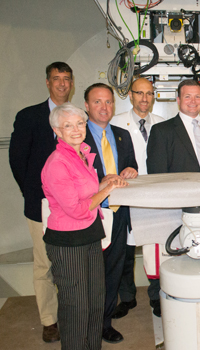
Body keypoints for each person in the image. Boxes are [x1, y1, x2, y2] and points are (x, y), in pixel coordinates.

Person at [42, 103, 128, 350]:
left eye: (80, 123)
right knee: (76, 307)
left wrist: (103, 181)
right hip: (67, 242)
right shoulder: (57, 162)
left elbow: (84, 192)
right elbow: (77, 208)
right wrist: (108, 190)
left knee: (94, 302)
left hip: (90, 234)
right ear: (57, 131)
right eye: (67, 125)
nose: (76, 129)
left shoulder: (82, 154)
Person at [9, 61, 74, 343]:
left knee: (70, 263)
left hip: (72, 205)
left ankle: (72, 312)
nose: (62, 83)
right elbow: (17, 160)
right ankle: (49, 321)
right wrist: (33, 192)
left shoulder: (77, 116)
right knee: (44, 264)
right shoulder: (29, 116)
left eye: (67, 79)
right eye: (56, 78)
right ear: (47, 82)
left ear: (72, 84)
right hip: (41, 204)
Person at [146, 79, 200, 314]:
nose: (193, 101)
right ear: (177, 100)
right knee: (171, 254)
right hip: (177, 207)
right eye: (187, 96)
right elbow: (157, 174)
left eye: (197, 96)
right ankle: (163, 298)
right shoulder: (163, 131)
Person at [83, 83, 139, 344]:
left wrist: (130, 170)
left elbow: (133, 165)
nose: (104, 107)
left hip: (118, 215)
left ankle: (105, 323)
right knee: (90, 275)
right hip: (91, 215)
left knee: (113, 271)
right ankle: (86, 323)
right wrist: (98, 180)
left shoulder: (121, 135)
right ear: (86, 106)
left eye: (108, 102)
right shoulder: (76, 135)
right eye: (97, 102)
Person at [110, 78, 164, 319]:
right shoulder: (115, 123)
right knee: (125, 249)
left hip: (155, 195)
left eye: (149, 94)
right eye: (139, 93)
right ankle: (127, 297)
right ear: (130, 96)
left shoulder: (163, 125)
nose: (144, 98)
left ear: (154, 97)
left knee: (156, 247)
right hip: (127, 192)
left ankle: (156, 295)